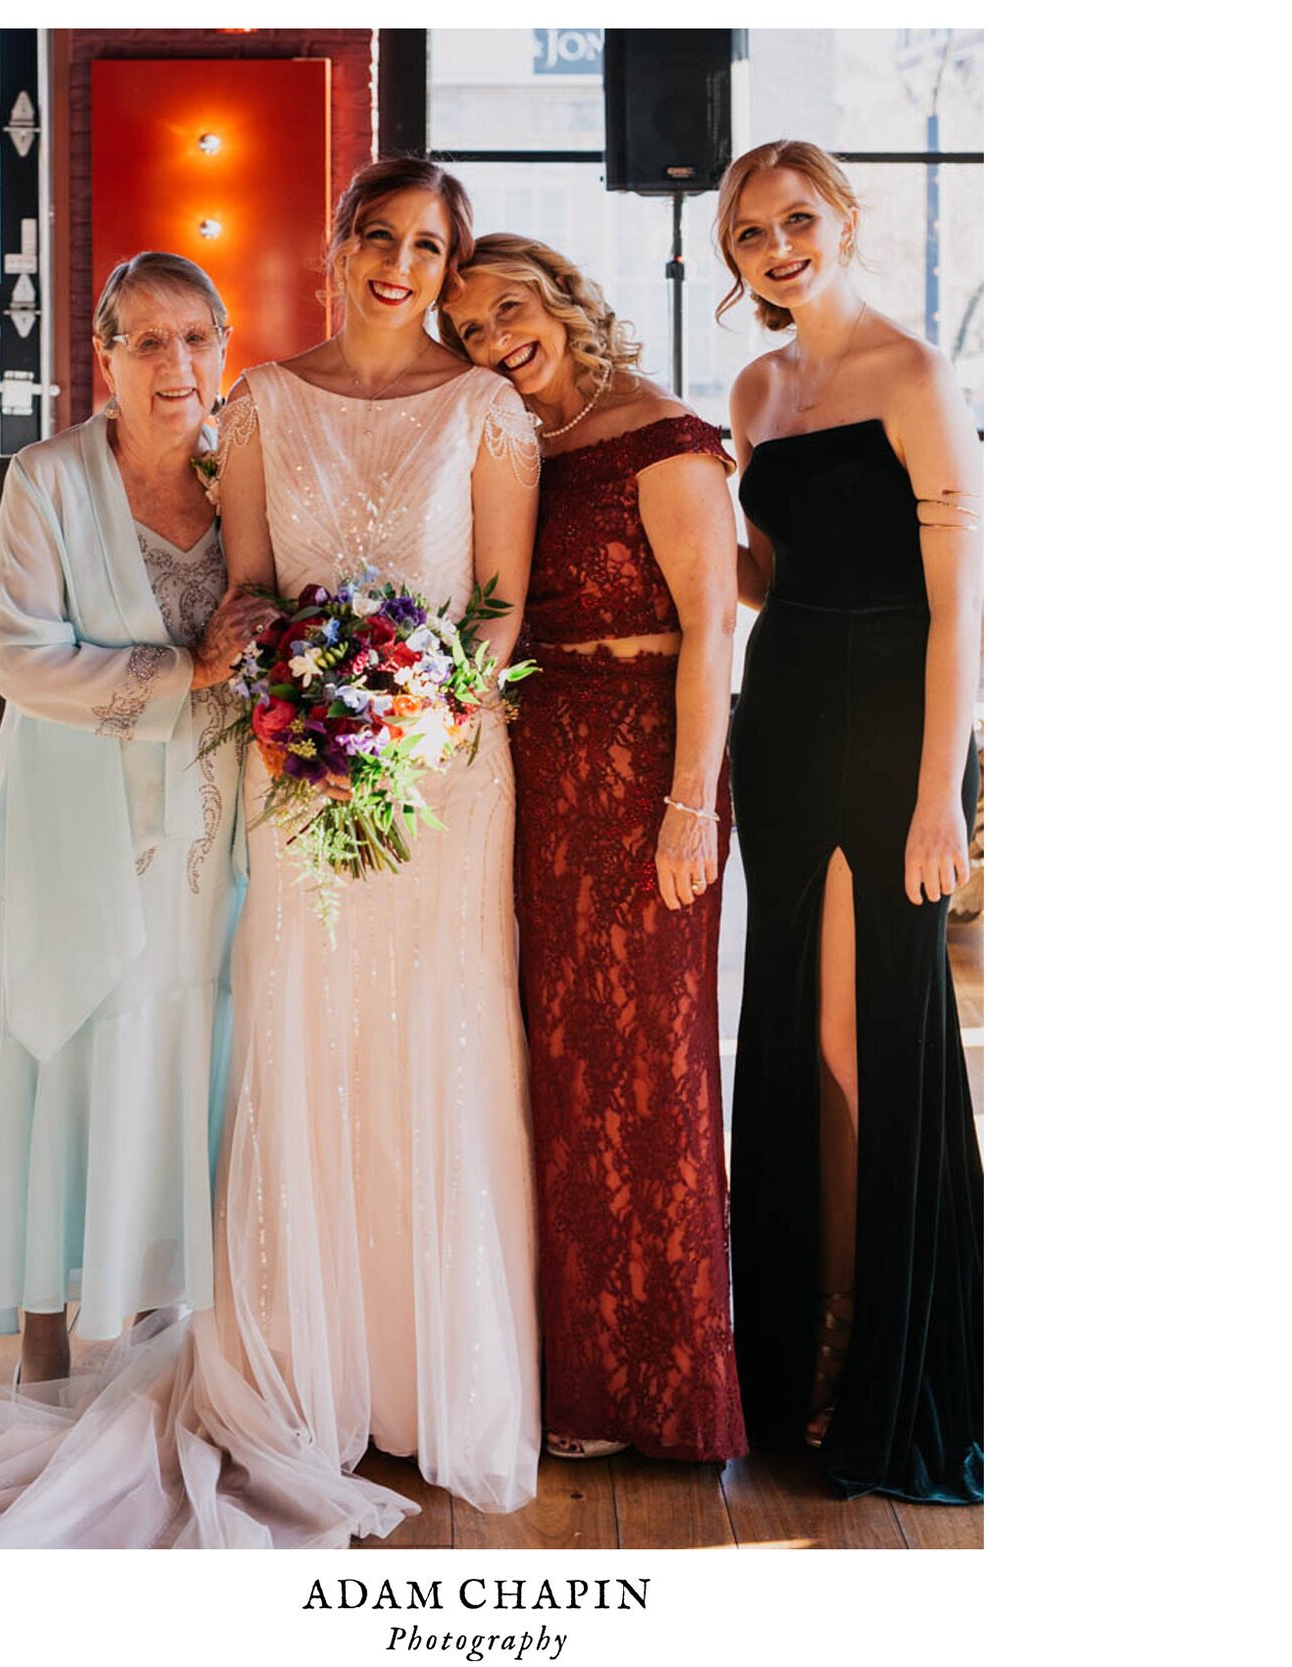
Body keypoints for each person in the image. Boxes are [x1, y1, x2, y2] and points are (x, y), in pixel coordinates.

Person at [0, 159, 543, 1547]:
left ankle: (432, 1374)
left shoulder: (488, 410)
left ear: (446, 267)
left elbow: (503, 611)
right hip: (297, 788)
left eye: (425, 245)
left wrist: (416, 714)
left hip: (446, 786)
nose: (397, 263)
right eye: (377, 235)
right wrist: (314, 718)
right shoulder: (264, 407)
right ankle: (303, 1370)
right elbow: (248, 606)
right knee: (295, 1049)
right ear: (337, 245)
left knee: (439, 1050)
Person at [440, 234, 746, 1466]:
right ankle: (566, 1376)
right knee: (556, 1076)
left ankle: (660, 1390)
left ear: (564, 301)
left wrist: (691, 805)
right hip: (535, 773)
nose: (493, 339)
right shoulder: (515, 443)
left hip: (640, 774)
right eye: (467, 330)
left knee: (652, 1068)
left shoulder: (663, 435)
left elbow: (713, 630)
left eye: (508, 308)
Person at [714, 139, 986, 1503]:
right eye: (752, 229)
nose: (777, 244)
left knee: (868, 1038)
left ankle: (907, 1367)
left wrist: (943, 787)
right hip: (785, 716)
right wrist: (710, 543)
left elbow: (960, 595)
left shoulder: (914, 373)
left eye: (799, 219)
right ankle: (807, 1357)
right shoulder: (758, 386)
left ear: (846, 220)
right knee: (793, 1043)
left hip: (898, 729)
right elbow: (775, 575)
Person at [0, 252, 273, 1383]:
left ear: (225, 349)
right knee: (72, 1036)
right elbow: (21, 655)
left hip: (215, 827)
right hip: (79, 829)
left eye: (196, 338)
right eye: (146, 341)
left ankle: (166, 1318)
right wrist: (186, 671)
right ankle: (47, 1333)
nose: (175, 364)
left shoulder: (251, 469)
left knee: (189, 1041)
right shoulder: (46, 477)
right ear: (103, 358)